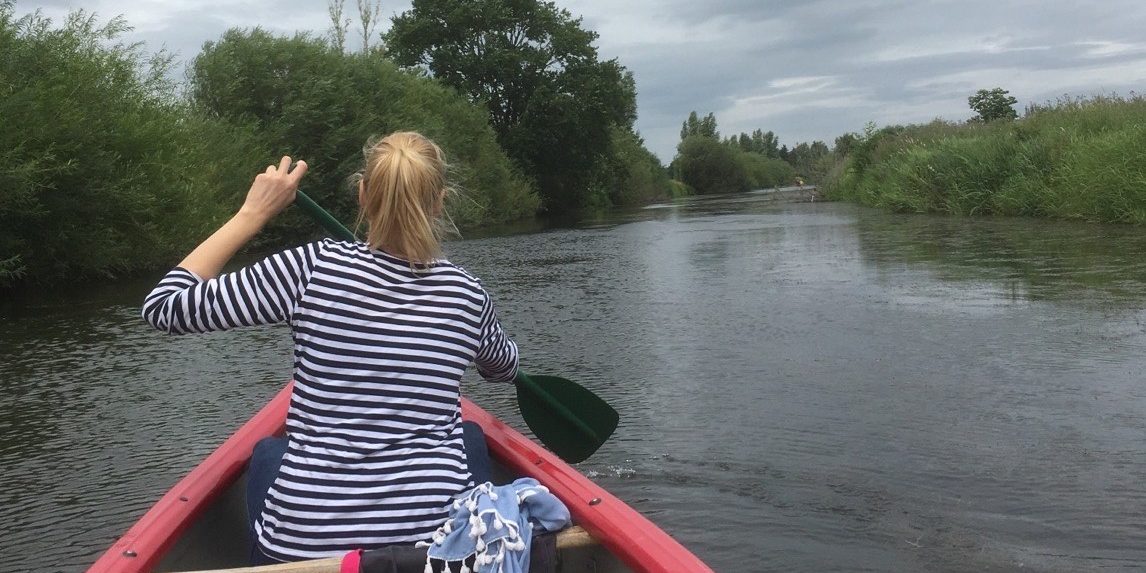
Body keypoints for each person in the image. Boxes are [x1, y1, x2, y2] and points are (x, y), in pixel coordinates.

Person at [142, 132, 519, 564]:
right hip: (435, 551)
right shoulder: (466, 293)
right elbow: (502, 366)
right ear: (439, 202)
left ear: (363, 195)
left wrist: (252, 214)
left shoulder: (312, 268)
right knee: (469, 437)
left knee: (268, 452)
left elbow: (164, 307)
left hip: (303, 550)